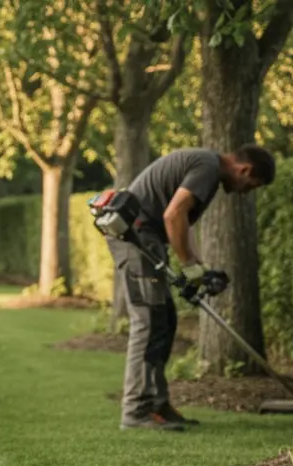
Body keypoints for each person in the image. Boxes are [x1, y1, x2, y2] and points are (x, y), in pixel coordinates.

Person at [108, 144, 276, 431]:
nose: (245, 191)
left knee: (165, 320)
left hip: (143, 238)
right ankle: (136, 411)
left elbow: (183, 223)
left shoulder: (205, 165)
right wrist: (191, 268)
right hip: (135, 238)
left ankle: (157, 405)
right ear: (244, 169)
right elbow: (173, 216)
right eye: (251, 184)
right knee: (148, 323)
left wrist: (199, 270)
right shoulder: (208, 168)